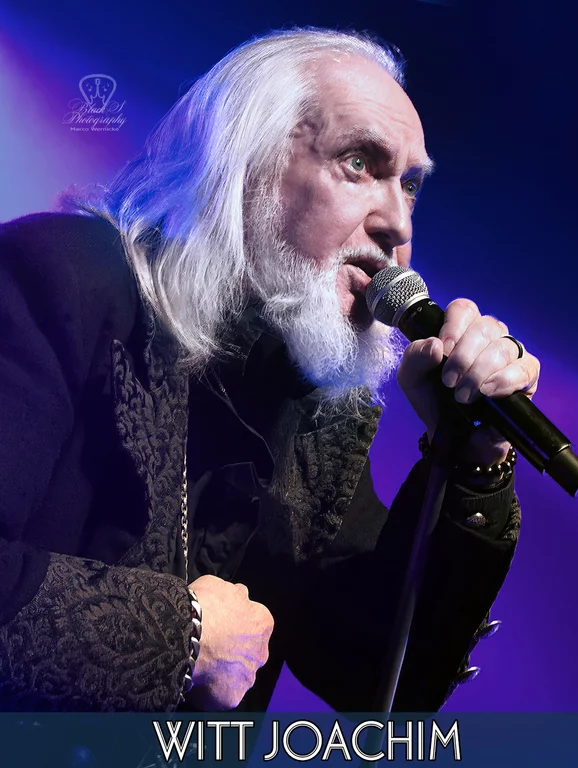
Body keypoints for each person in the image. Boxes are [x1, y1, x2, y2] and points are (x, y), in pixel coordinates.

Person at [0, 28, 538, 713]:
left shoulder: (314, 411)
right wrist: (180, 636)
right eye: (357, 163)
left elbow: (379, 682)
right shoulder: (58, 277)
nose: (397, 225)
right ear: (242, 169)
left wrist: (469, 463)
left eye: (408, 185)